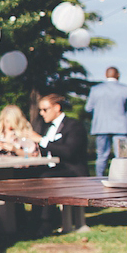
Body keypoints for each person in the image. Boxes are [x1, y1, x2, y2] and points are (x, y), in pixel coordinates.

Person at [35, 92, 89, 233]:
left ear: (57, 107)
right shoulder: (45, 127)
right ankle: (27, 219)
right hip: (52, 168)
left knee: (46, 178)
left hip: (73, 170)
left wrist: (41, 140)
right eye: (40, 110)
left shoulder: (73, 126)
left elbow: (69, 152)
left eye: (45, 109)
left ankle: (46, 222)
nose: (41, 113)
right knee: (28, 175)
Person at [85, 66, 127, 176]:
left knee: (101, 155)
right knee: (122, 156)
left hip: (101, 127)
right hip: (121, 127)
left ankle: (99, 178)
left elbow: (88, 108)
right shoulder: (126, 89)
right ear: (118, 75)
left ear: (106, 75)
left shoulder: (96, 89)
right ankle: (121, 178)